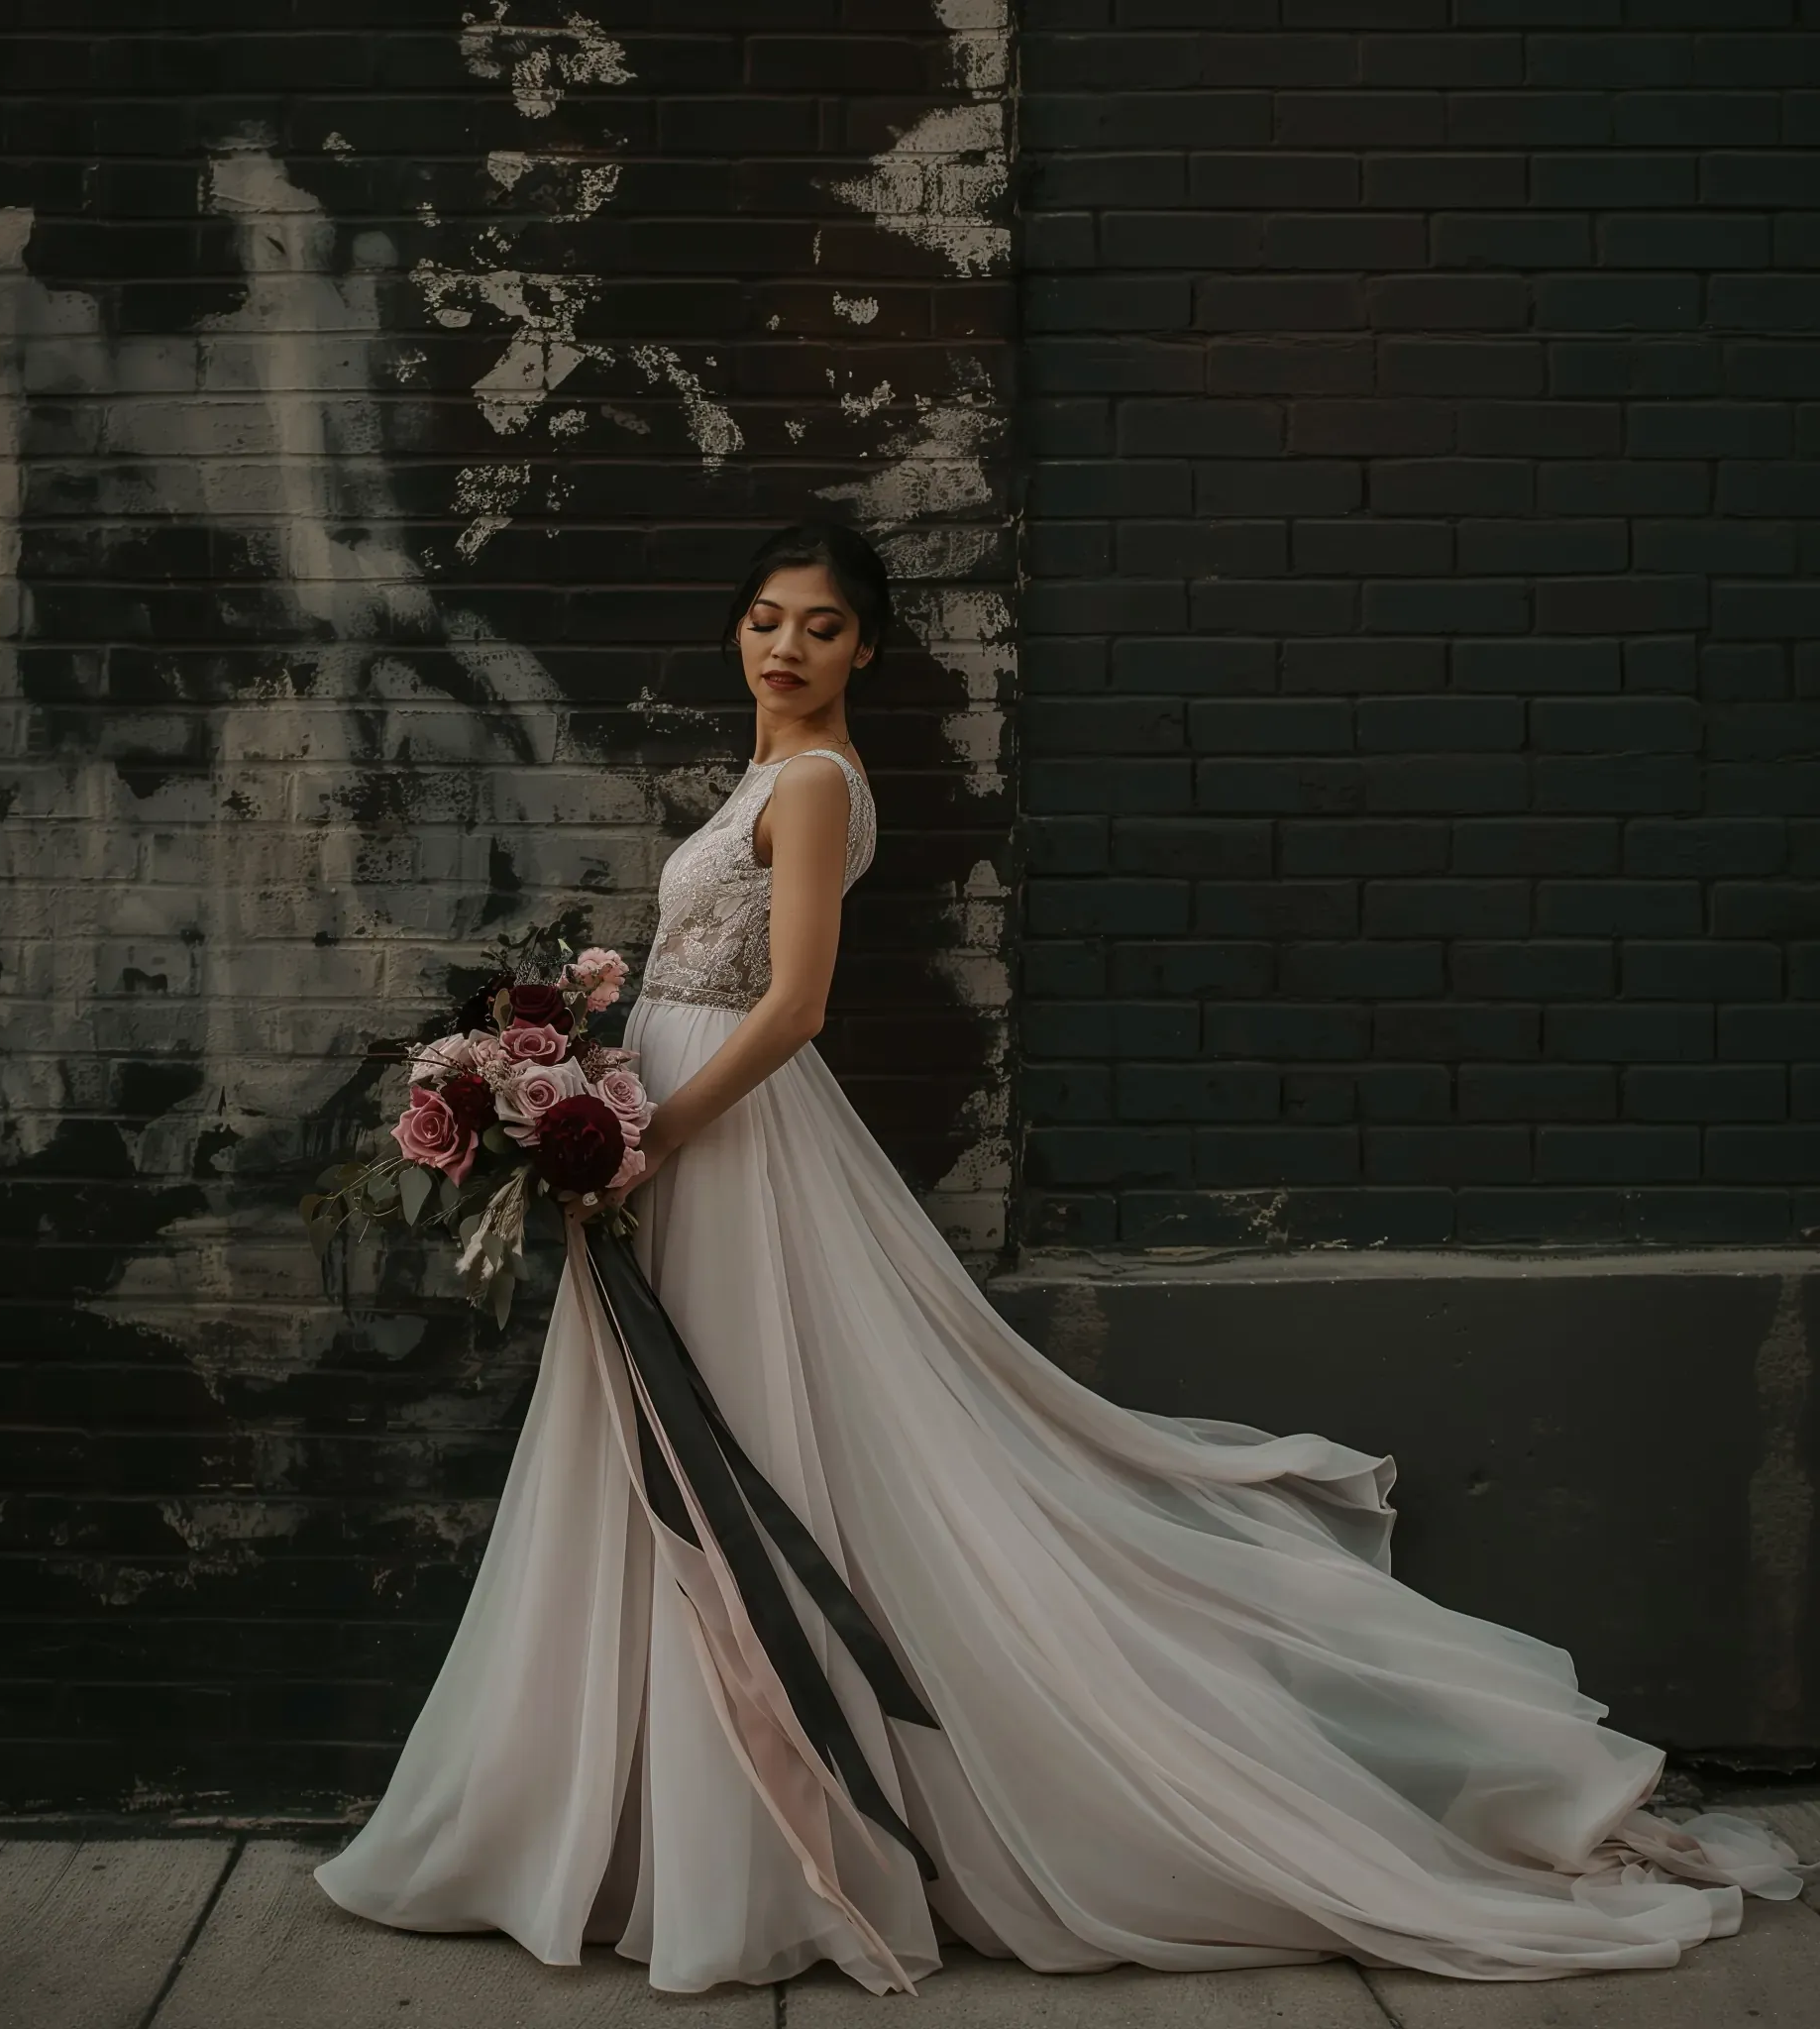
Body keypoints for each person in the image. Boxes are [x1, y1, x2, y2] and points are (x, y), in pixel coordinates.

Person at [313, 521, 1807, 1995]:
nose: (786, 645)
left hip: (727, 1141)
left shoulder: (820, 782)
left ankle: (776, 1827)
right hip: (678, 1133)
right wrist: (575, 1078)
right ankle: (651, 1813)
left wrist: (649, 1134)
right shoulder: (768, 768)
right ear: (739, 631)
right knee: (677, 1455)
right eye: (767, 618)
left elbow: (798, 1007)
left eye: (821, 627)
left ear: (867, 648)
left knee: (757, 1445)